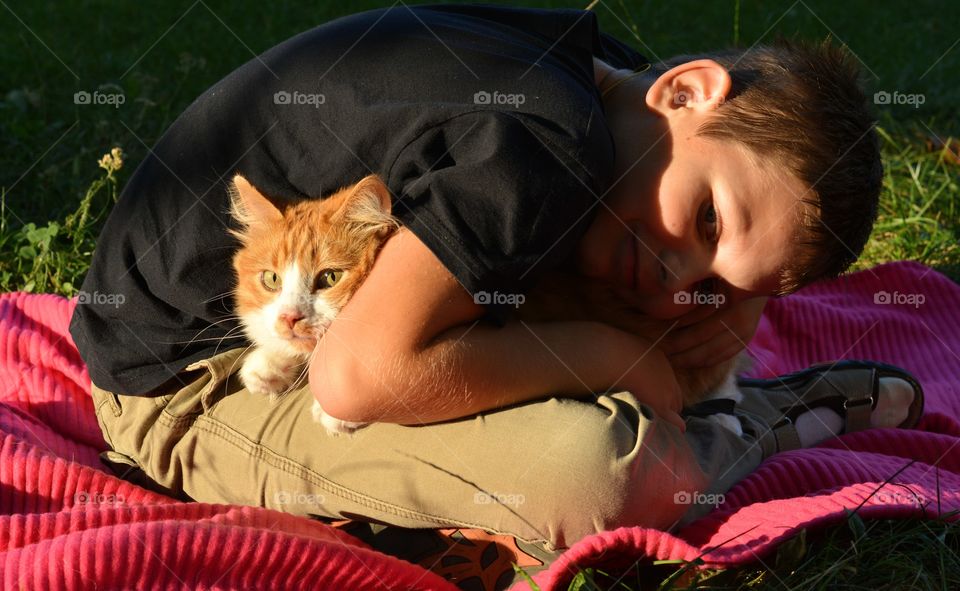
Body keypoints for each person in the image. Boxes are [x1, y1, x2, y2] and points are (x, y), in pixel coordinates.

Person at [71, 4, 922, 557]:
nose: (677, 278)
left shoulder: (602, 78)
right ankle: (743, 426)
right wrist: (629, 358)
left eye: (726, 282)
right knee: (608, 473)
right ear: (686, 88)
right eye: (705, 220)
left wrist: (723, 312)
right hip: (194, 382)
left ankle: (713, 396)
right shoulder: (547, 148)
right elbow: (353, 376)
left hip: (340, 323)